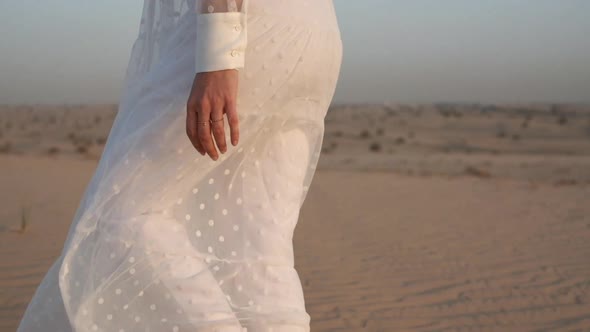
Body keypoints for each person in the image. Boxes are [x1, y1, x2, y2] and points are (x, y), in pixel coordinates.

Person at [17, 0, 342, 331]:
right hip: (316, 36)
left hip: (249, 32)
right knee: (259, 252)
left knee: (121, 213)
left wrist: (219, 56)